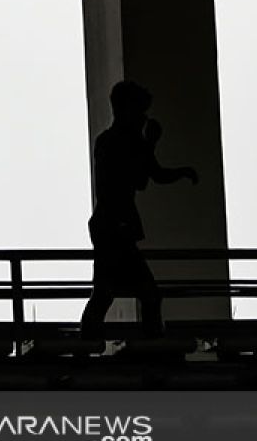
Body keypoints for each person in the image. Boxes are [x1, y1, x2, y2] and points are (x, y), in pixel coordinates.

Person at [79, 80, 198, 340]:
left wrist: (180, 171)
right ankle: (148, 346)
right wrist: (149, 145)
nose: (143, 117)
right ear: (124, 110)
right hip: (113, 226)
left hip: (113, 225)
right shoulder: (111, 143)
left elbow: (151, 175)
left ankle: (87, 342)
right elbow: (139, 179)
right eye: (139, 110)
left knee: (107, 293)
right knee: (142, 293)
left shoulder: (127, 141)